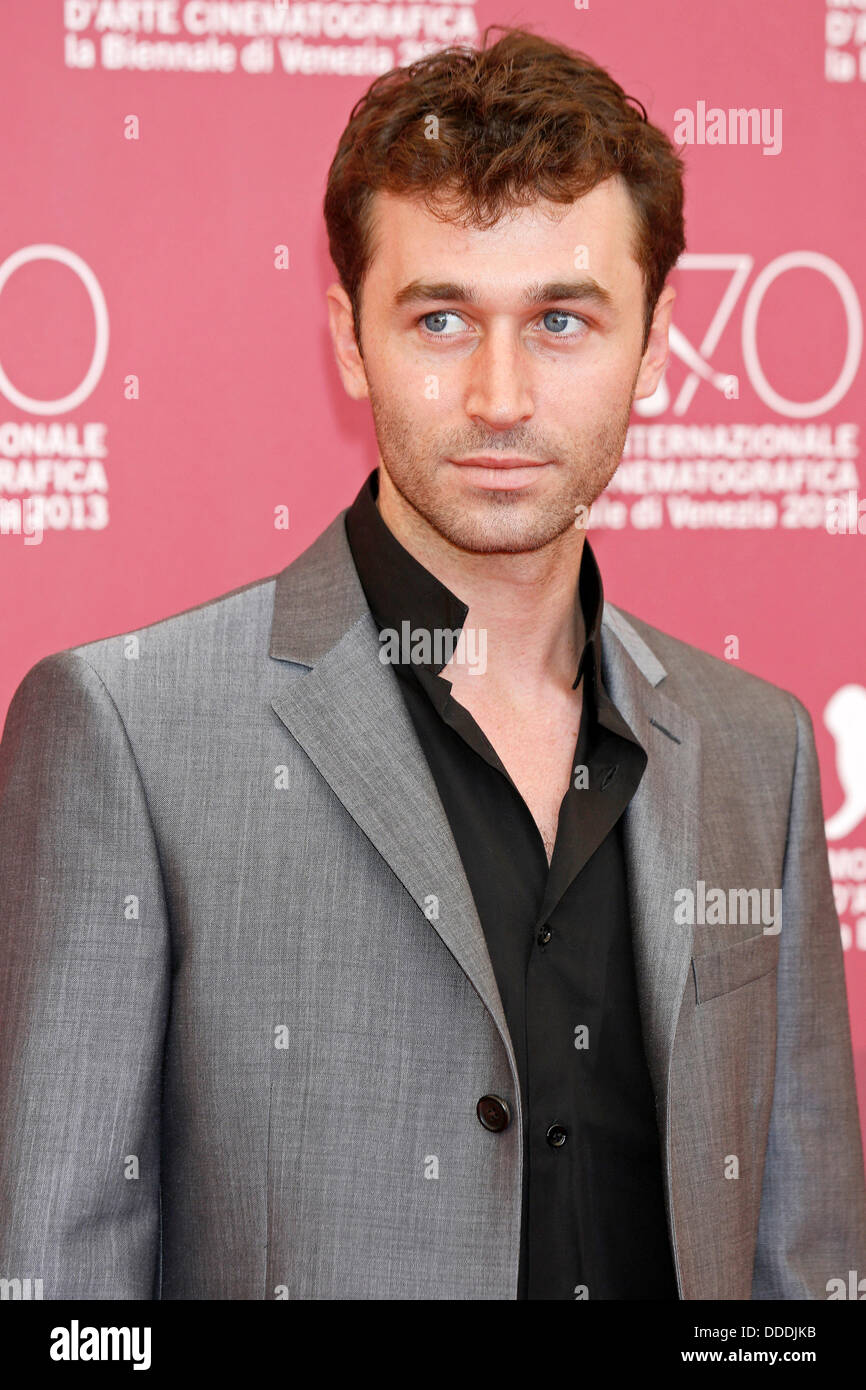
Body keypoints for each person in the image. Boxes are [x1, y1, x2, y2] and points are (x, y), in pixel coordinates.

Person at [1, 24, 864, 1301]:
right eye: (442, 317)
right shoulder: (127, 731)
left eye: (562, 319)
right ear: (350, 337)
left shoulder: (757, 747)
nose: (499, 394)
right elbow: (60, 1304)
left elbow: (801, 1271)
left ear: (657, 338)